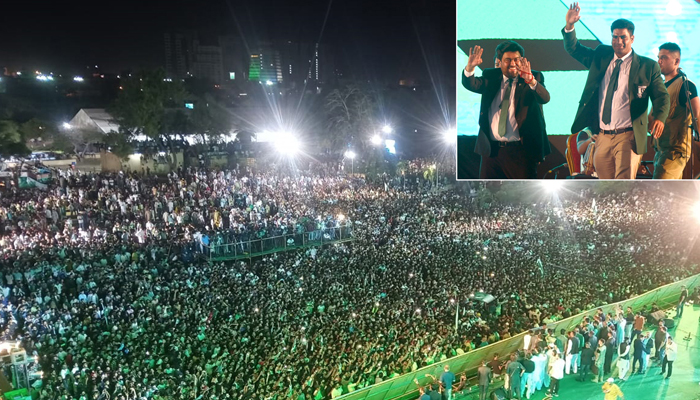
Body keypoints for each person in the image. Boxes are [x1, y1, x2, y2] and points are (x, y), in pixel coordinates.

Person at [562, 3, 669, 179]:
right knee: (605, 189)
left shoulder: (647, 66)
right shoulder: (601, 55)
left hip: (628, 136)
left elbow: (662, 97)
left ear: (632, 38)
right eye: (614, 37)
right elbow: (574, 49)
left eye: (623, 37)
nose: (618, 41)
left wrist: (660, 118)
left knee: (622, 188)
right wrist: (570, 26)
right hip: (602, 136)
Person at [462, 40, 551, 179]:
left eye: (517, 59)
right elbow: (472, 84)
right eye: (507, 60)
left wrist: (531, 80)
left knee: (521, 196)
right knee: (487, 193)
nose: (513, 63)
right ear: (500, 61)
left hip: (521, 153)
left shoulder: (534, 76)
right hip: (491, 152)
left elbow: (544, 98)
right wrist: (469, 68)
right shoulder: (490, 75)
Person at [651, 43, 700, 179]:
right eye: (658, 57)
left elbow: (697, 116)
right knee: (668, 196)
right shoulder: (660, 86)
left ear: (676, 61)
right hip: (660, 151)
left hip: (675, 152)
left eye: (664, 58)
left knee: (660, 191)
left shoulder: (685, 85)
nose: (659, 61)